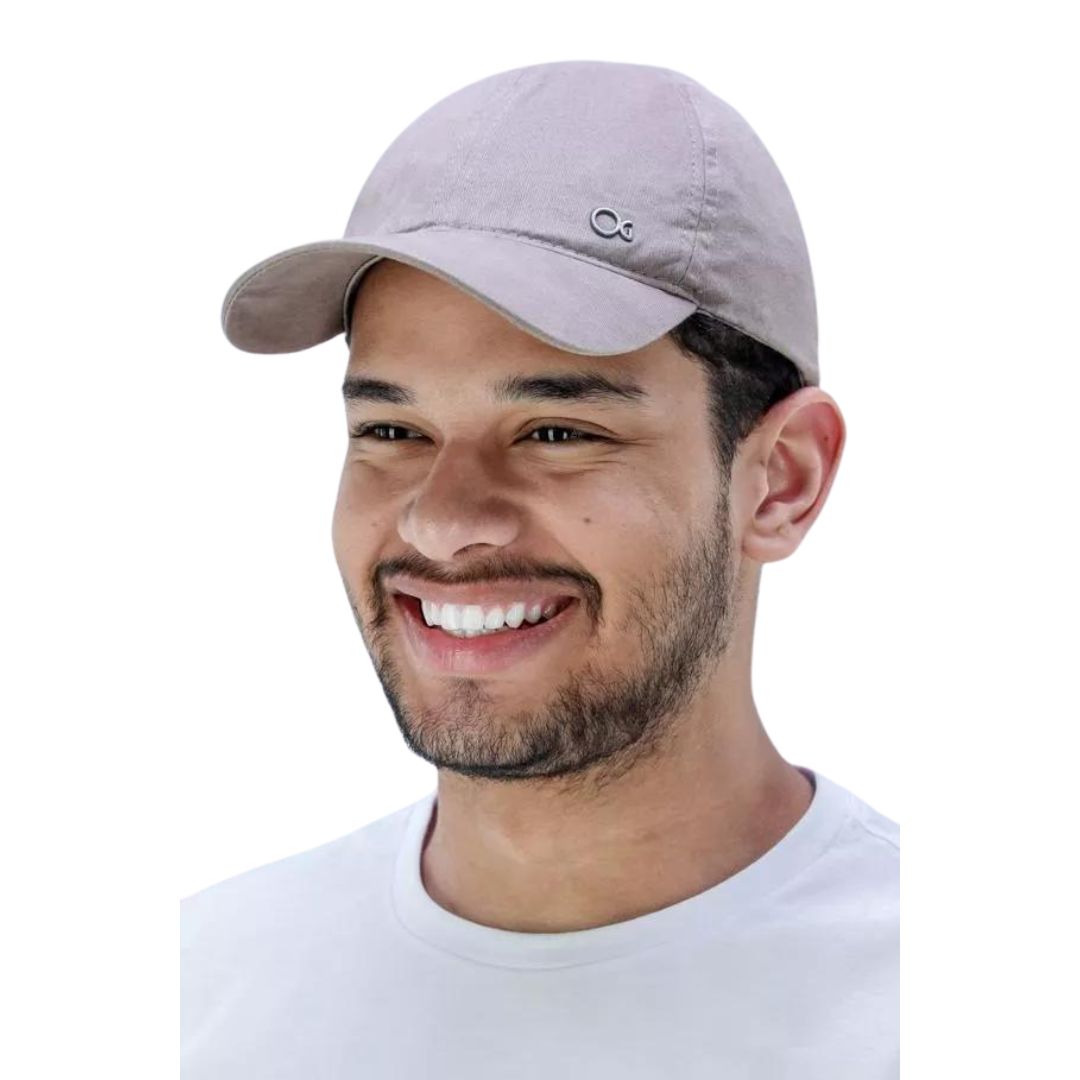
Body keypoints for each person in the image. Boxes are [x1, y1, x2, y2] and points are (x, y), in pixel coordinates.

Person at [182, 59, 899, 1078]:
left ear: (781, 480)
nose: (442, 523)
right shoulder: (196, 989)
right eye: (392, 429)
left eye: (557, 432)